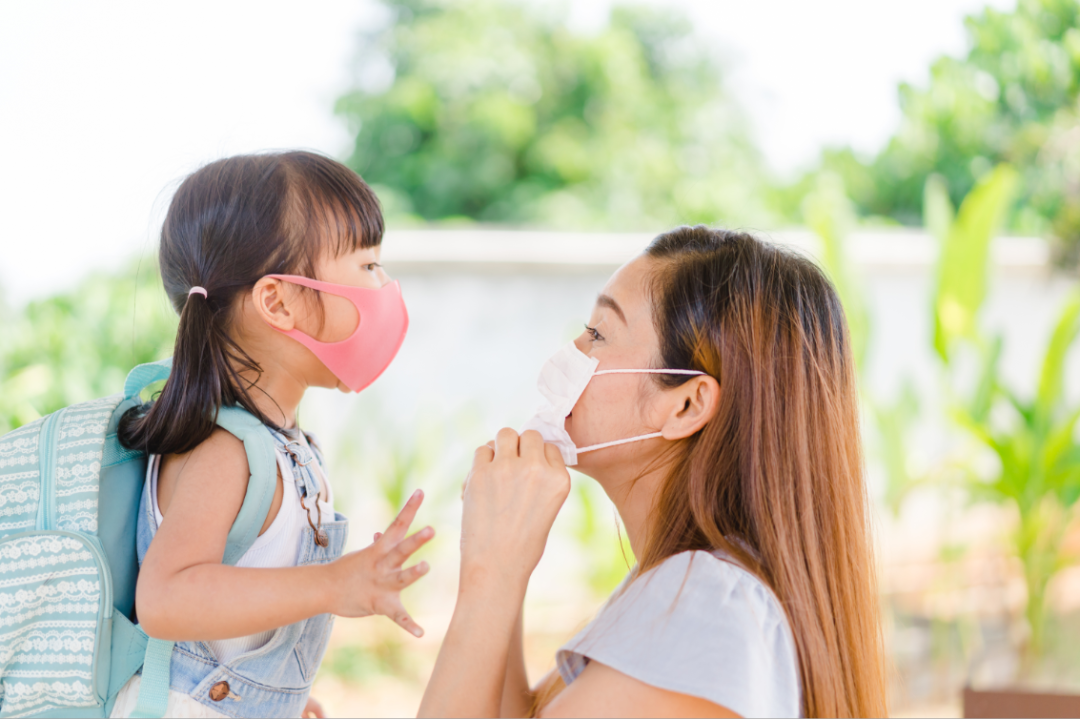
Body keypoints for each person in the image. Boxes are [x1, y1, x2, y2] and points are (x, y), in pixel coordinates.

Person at [420, 226, 887, 718]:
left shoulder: (705, 606)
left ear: (686, 405)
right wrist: (501, 560)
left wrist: (489, 573)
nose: (571, 352)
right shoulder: (685, 586)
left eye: (599, 333)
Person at [110, 151, 433, 718]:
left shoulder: (290, 447)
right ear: (278, 301)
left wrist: (281, 696)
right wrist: (336, 583)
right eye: (367, 266)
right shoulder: (224, 449)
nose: (384, 287)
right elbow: (166, 599)